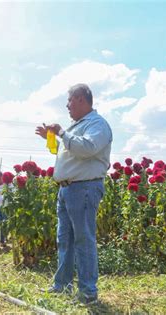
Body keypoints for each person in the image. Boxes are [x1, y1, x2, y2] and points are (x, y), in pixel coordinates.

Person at [35, 83, 112, 304]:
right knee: (65, 239)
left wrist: (61, 131)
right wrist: (53, 138)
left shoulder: (97, 124)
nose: (67, 105)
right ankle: (62, 286)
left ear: (80, 98)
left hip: (84, 188)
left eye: (69, 100)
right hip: (67, 189)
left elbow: (86, 148)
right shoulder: (77, 126)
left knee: (83, 239)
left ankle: (88, 292)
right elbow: (72, 149)